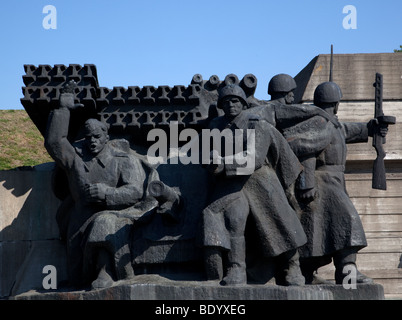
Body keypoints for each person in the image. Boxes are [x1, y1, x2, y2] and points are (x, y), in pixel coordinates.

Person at [45, 81, 160, 289]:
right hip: (80, 218)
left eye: (97, 137)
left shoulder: (123, 160)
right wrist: (63, 109)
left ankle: (105, 272)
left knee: (103, 225)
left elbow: (134, 191)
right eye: (88, 137)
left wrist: (107, 194)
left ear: (106, 137)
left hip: (118, 214)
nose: (92, 141)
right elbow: (54, 143)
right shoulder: (76, 158)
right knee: (76, 278)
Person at [282, 81, 389, 284]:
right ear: (336, 103)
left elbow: (350, 130)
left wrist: (372, 128)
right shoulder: (319, 123)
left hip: (335, 181)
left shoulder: (332, 123)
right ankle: (347, 272)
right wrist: (307, 183)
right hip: (324, 183)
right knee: (349, 221)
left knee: (319, 231)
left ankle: (310, 274)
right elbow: (306, 150)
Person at [200, 84, 307, 286]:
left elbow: (254, 158)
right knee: (233, 221)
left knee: (281, 222)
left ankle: (293, 266)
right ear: (221, 105)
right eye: (226, 102)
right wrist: (210, 161)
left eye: (235, 101)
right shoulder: (215, 125)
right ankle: (236, 269)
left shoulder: (256, 124)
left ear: (242, 103)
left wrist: (223, 164)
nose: (231, 105)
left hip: (260, 179)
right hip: (230, 182)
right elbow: (207, 153)